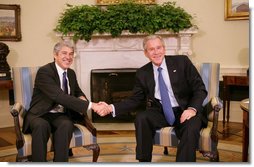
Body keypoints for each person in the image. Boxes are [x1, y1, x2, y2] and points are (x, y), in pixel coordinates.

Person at [95, 35, 208, 162]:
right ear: (146, 53)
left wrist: (192, 109)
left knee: (190, 128)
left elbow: (200, 88)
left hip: (186, 109)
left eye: (159, 48)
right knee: (141, 118)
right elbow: (135, 99)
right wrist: (110, 107)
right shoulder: (143, 73)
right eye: (151, 49)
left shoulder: (182, 62)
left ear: (164, 49)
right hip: (161, 111)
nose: (156, 52)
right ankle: (144, 161)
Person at [22, 41, 103, 162]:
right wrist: (91, 105)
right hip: (40, 114)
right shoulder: (45, 72)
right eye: (64, 53)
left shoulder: (71, 73)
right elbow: (59, 96)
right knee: (41, 126)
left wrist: (82, 98)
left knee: (66, 124)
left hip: (60, 114)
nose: (68, 57)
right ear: (55, 55)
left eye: (71, 54)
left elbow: (77, 91)